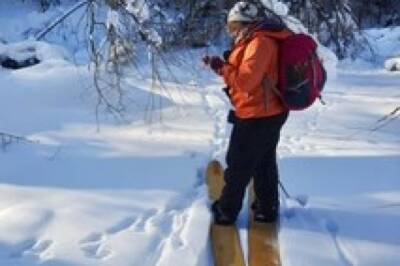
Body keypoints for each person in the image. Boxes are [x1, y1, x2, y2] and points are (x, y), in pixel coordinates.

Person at [203, 2, 292, 225]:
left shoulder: (260, 42)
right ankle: (266, 208)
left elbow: (245, 81)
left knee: (239, 163)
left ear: (244, 24)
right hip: (266, 110)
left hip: (259, 114)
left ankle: (226, 211)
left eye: (233, 26)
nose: (231, 31)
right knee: (263, 162)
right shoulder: (258, 39)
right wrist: (223, 63)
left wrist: (222, 68)